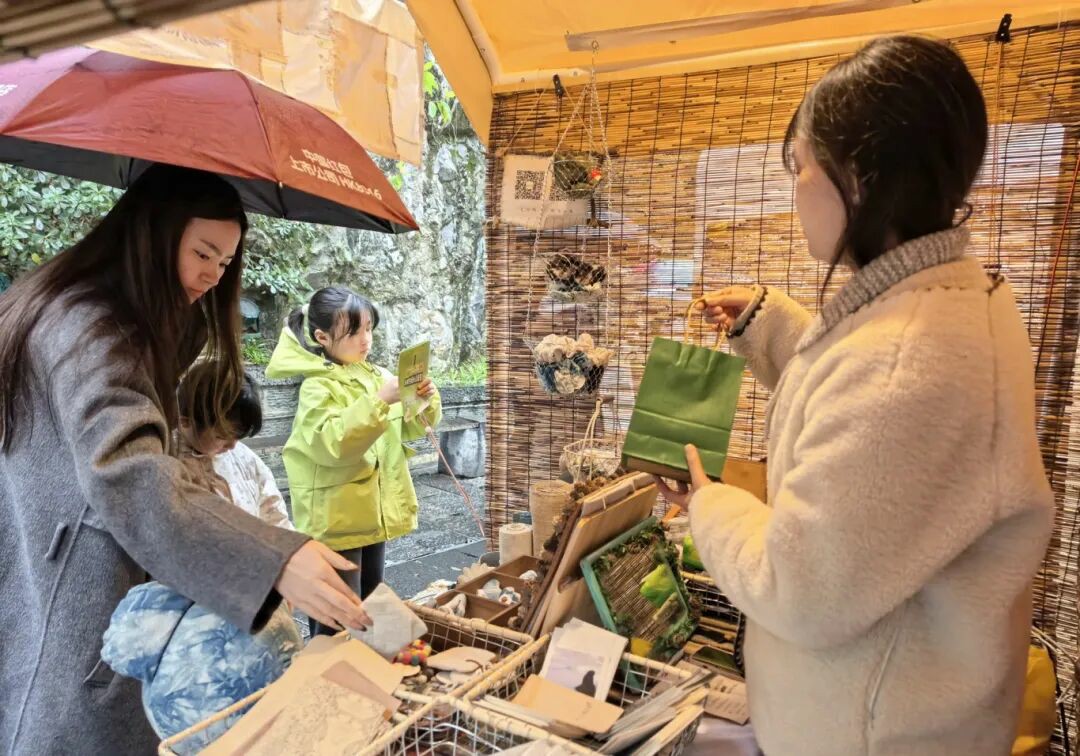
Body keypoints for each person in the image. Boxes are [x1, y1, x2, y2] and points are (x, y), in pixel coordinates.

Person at [659, 36, 1055, 755]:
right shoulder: (953, 303)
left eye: (802, 168)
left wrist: (709, 503)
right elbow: (868, 409)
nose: (796, 191)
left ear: (861, 177)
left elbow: (798, 587)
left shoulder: (908, 359)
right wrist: (768, 325)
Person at [0, 164, 370, 755]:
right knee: (64, 724)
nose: (211, 275)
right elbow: (126, 468)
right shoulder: (90, 325)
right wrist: (275, 559)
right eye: (202, 252)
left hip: (64, 562)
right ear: (152, 231)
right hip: (73, 578)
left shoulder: (102, 312)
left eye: (224, 263)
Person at [266, 286, 441, 636]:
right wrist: (380, 401)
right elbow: (333, 444)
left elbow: (407, 430)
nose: (366, 340)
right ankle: (328, 679)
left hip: (370, 512)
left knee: (372, 603)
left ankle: (364, 670)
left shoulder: (375, 376)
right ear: (322, 336)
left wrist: (424, 400)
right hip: (336, 520)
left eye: (369, 330)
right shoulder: (317, 386)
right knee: (339, 614)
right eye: (354, 332)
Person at [178, 361, 293, 531]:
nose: (232, 446)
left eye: (238, 437)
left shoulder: (245, 458)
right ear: (186, 423)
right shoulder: (169, 464)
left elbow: (274, 514)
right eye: (221, 436)